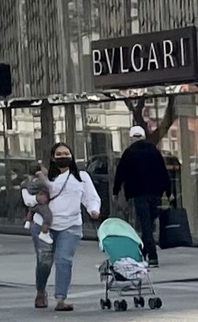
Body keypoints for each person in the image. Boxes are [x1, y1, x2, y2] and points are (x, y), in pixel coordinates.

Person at [24, 144, 102, 311]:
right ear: (53, 158)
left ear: (72, 156)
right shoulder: (44, 178)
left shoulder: (81, 177)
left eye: (66, 153)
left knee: (63, 260)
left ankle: (61, 299)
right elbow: (28, 196)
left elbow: (91, 197)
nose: (63, 156)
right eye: (59, 154)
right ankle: (40, 291)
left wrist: (93, 210)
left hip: (70, 226)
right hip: (43, 225)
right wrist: (36, 200)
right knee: (44, 261)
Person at [111, 120, 172, 265]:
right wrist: (169, 192)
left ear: (132, 137)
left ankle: (152, 255)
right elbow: (163, 172)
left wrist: (116, 191)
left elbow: (120, 173)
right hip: (155, 192)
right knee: (149, 223)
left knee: (145, 224)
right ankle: (144, 250)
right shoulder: (154, 151)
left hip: (138, 193)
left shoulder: (129, 153)